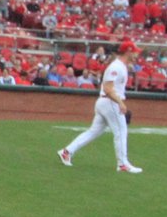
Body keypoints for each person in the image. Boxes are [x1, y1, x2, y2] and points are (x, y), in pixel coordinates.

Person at [57, 40, 141, 173]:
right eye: (135, 52)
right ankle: (122, 164)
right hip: (110, 102)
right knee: (120, 132)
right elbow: (108, 88)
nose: (137, 54)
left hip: (105, 102)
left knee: (93, 131)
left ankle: (67, 152)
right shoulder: (116, 67)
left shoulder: (121, 66)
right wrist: (120, 102)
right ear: (128, 51)